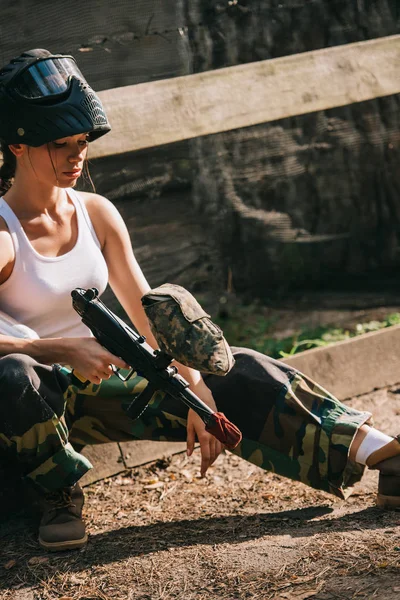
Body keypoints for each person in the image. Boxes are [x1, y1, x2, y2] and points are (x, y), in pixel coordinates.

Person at [0, 48, 399, 553]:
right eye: (60, 143)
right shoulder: (4, 233)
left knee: (235, 370)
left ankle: (381, 451)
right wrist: (56, 350)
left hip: (106, 385)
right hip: (35, 403)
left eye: (82, 141)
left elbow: (148, 313)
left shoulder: (96, 213)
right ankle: (57, 494)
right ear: (16, 145)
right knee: (13, 375)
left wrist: (194, 386)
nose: (77, 155)